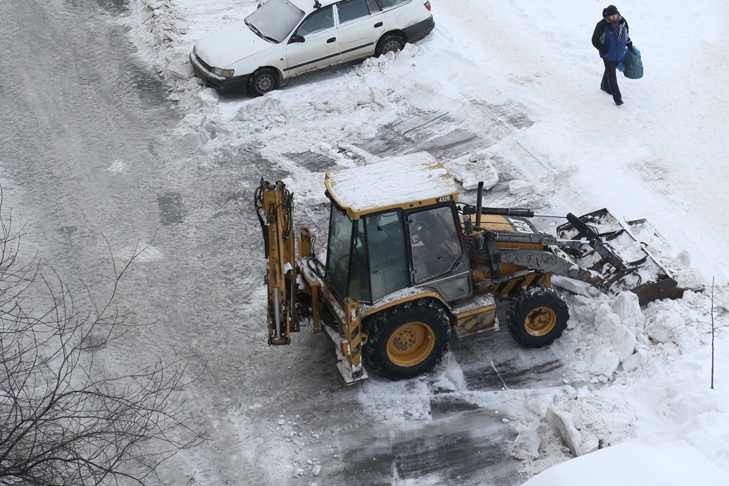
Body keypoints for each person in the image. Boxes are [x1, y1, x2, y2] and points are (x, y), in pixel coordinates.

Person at [592, 5, 634, 106]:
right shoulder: (602, 25)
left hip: (618, 53)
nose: (614, 18)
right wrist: (603, 48)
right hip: (607, 54)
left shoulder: (623, 22)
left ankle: (604, 85)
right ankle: (617, 98)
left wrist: (630, 44)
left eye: (615, 15)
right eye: (611, 17)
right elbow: (594, 40)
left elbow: (626, 34)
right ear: (607, 16)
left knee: (609, 70)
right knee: (612, 74)